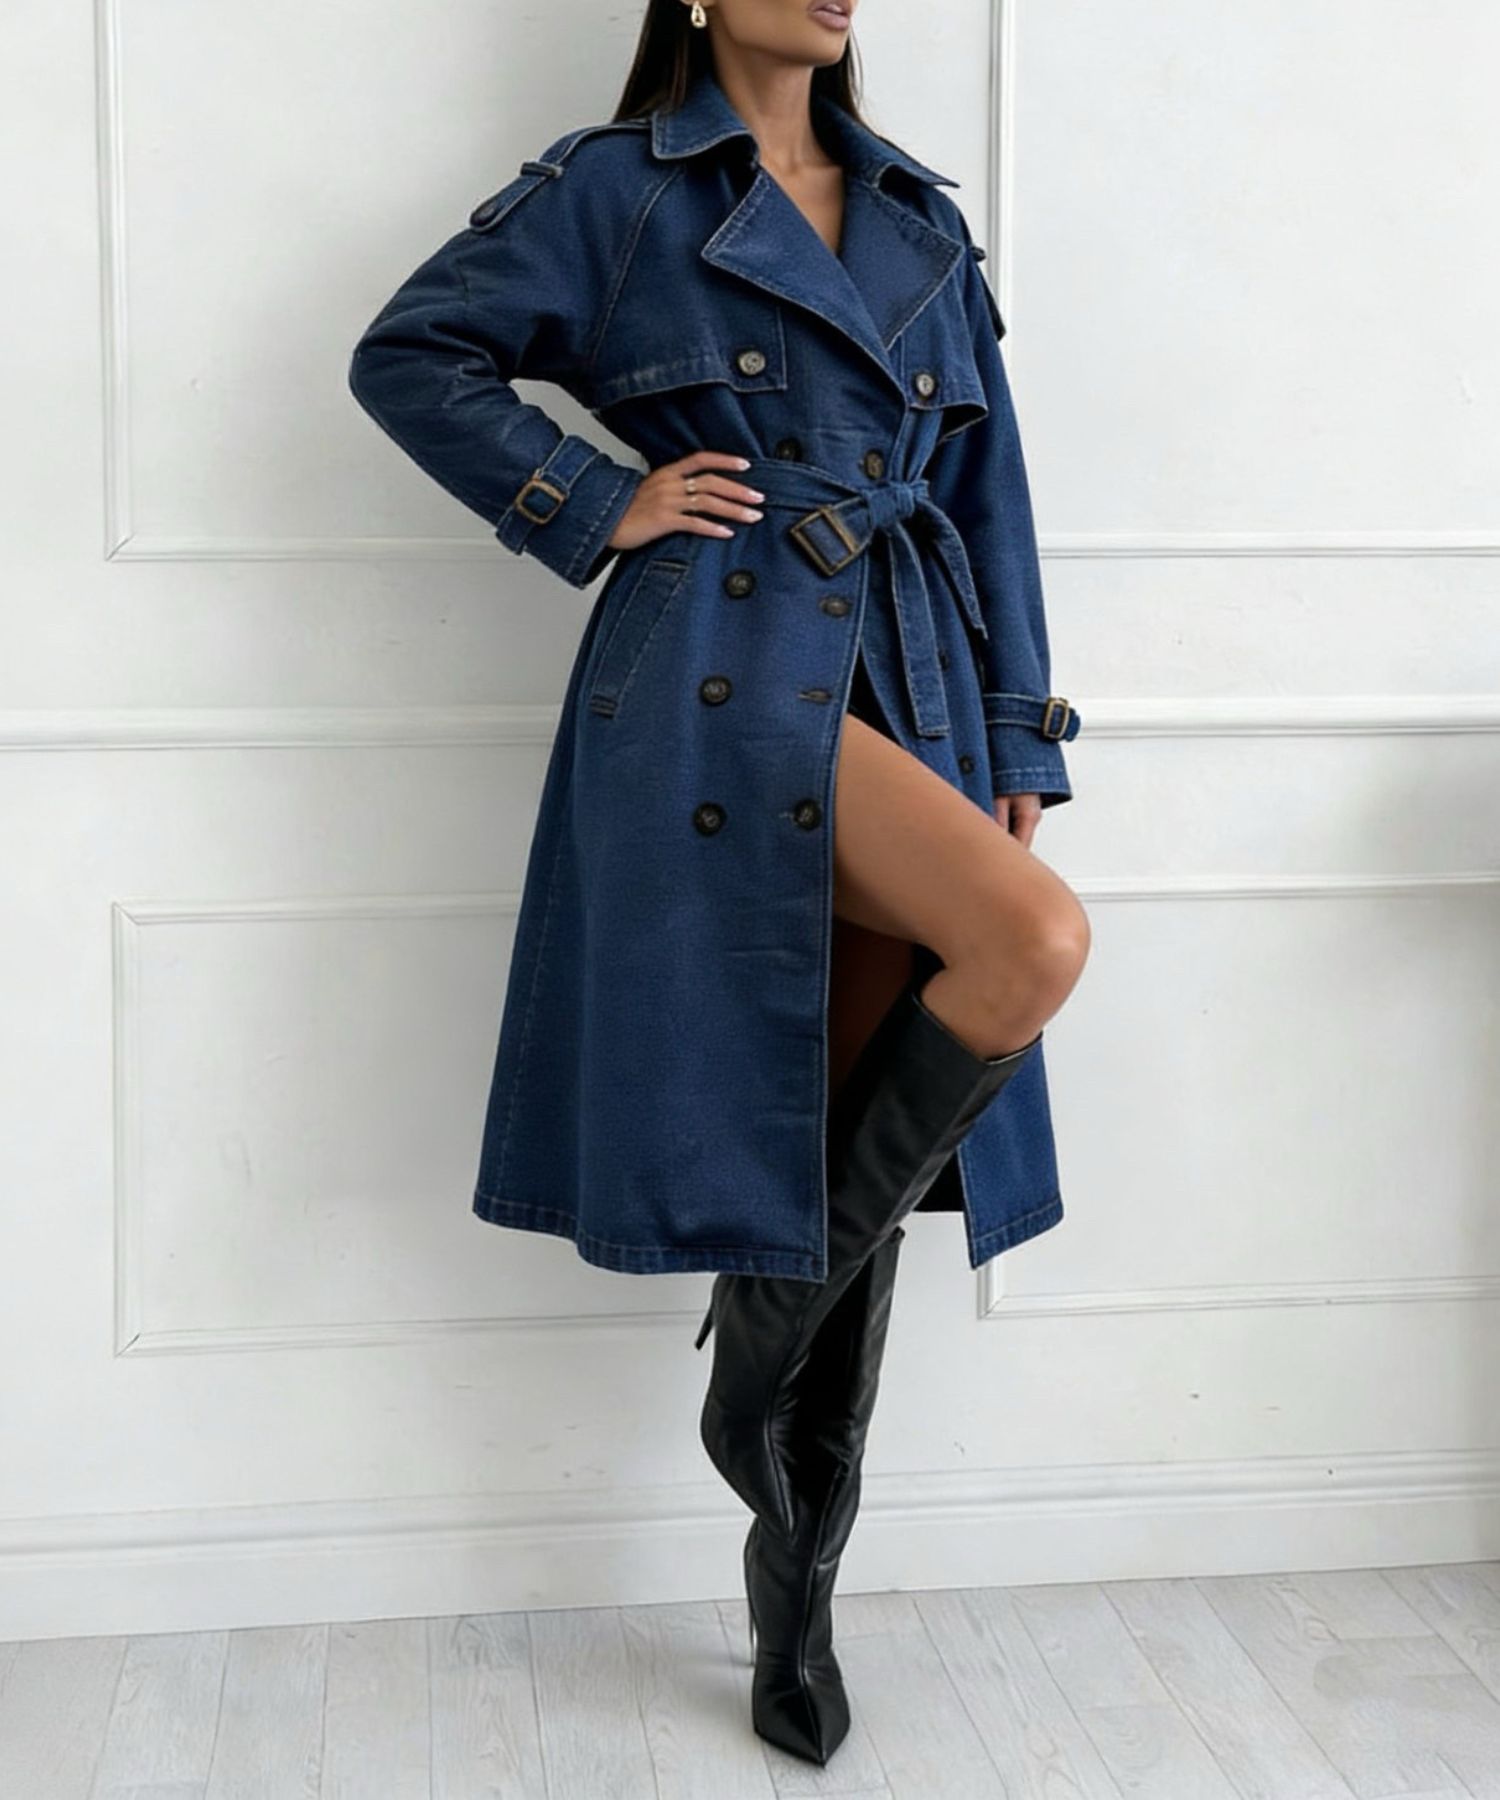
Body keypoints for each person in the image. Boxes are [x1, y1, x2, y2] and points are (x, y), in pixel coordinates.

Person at [349, 0, 1090, 1768]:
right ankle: (756, 1368)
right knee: (1034, 941)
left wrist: (1015, 728)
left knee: (856, 1112)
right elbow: (412, 354)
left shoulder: (914, 214)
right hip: (720, 677)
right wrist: (592, 497)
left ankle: (792, 1587)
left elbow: (987, 488)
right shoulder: (614, 191)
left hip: (909, 669)